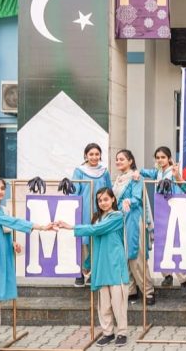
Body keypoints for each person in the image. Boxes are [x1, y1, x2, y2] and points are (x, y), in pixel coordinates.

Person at [0, 177, 54, 351]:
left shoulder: (1, 210)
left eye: (2, 188)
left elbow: (0, 233)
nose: (0, 191)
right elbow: (13, 223)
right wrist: (40, 227)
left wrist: (12, 244)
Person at [57, 188, 129, 347]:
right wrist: (88, 264)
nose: (103, 203)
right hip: (101, 265)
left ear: (113, 200)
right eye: (100, 200)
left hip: (115, 265)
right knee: (104, 304)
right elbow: (93, 243)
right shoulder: (97, 218)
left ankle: (122, 333)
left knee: (118, 303)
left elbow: (97, 230)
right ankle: (108, 333)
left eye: (106, 199)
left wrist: (71, 227)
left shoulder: (117, 216)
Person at [136, 146, 186, 296]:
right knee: (161, 245)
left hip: (173, 211)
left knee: (174, 245)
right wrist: (136, 172)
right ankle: (167, 276)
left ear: (169, 158)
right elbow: (144, 172)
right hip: (161, 212)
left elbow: (183, 188)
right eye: (157, 157)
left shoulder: (173, 172)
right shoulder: (158, 172)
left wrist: (177, 176)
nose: (160, 160)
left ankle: (184, 281)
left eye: (163, 157)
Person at [114, 149, 155, 305]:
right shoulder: (118, 179)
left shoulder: (136, 177)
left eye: (122, 159)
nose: (118, 161)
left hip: (133, 218)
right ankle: (131, 290)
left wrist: (128, 201)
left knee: (136, 256)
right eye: (117, 159)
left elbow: (137, 198)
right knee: (124, 255)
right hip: (120, 219)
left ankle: (148, 291)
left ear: (130, 161)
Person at [71, 143, 112, 287]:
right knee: (83, 241)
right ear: (85, 155)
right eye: (91, 154)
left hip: (101, 211)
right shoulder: (79, 171)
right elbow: (74, 192)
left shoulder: (104, 171)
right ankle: (80, 272)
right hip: (84, 211)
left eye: (97, 154)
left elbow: (109, 191)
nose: (94, 157)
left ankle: (94, 272)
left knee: (98, 240)